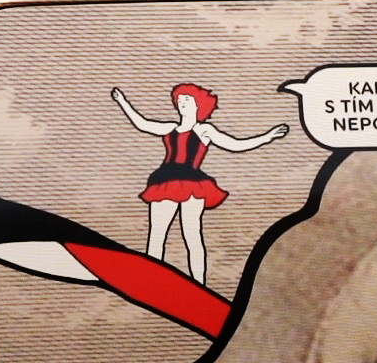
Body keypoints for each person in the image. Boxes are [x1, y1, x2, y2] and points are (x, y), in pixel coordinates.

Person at [111, 83, 290, 283]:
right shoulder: (170, 128)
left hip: (193, 184)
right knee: (157, 233)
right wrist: (122, 102)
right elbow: (143, 124)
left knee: (192, 234)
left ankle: (198, 284)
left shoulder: (205, 130)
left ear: (199, 104)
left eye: (187, 99)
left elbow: (235, 144)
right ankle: (151, 280)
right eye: (180, 100)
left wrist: (266, 138)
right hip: (165, 181)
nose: (182, 103)